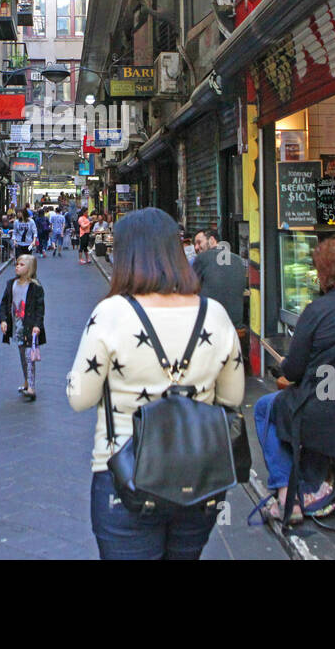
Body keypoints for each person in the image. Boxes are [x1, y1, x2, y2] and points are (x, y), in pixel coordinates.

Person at [67, 207, 245, 560]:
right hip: (200, 479)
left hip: (124, 477)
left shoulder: (111, 313)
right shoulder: (215, 314)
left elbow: (80, 398)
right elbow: (233, 396)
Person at [250, 238, 335, 525]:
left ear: (323, 274)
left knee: (266, 408)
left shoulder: (317, 310)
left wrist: (283, 366)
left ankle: (288, 497)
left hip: (325, 414)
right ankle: (315, 481)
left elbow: (294, 371)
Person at [192, 228, 251, 371]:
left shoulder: (202, 259)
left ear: (212, 240)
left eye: (199, 242)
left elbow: (190, 287)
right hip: (236, 325)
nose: (196, 247)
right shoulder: (238, 260)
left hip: (210, 326)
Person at [0, 254, 45, 401]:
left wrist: (37, 325)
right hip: (17, 326)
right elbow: (4, 303)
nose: (17, 267)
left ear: (29, 269)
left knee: (28, 356)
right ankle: (27, 381)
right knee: (22, 356)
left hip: (30, 327)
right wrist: (3, 320)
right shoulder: (10, 284)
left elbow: (40, 308)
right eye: (17, 264)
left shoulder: (35, 287)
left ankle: (31, 387)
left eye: (21, 265)